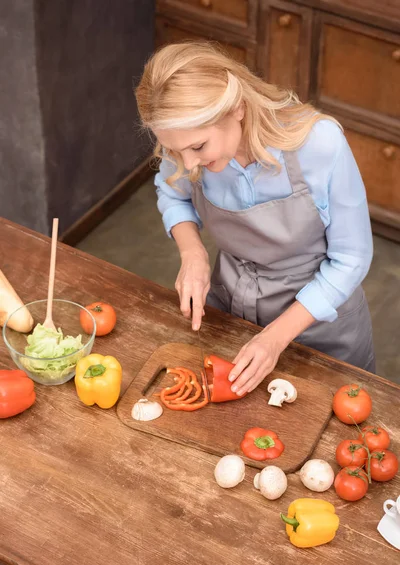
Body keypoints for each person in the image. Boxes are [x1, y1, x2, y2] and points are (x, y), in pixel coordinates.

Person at [135, 41, 375, 397]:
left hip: (322, 331)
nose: (187, 164)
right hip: (229, 315)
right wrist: (193, 254)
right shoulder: (186, 143)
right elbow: (172, 192)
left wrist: (275, 338)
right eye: (173, 150)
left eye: (198, 148)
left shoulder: (319, 145)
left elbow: (352, 259)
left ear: (237, 108)